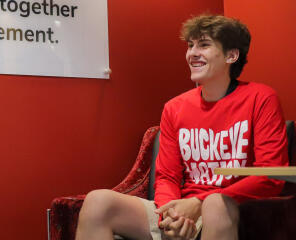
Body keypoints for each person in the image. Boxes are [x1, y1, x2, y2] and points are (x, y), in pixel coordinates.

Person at [75, 14, 288, 240]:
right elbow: (167, 176)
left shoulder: (261, 98)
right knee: (98, 202)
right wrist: (171, 215)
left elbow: (271, 174)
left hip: (230, 209)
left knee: (215, 205)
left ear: (231, 55)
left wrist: (201, 202)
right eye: (190, 45)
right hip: (182, 209)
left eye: (204, 45)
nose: (192, 53)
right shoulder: (174, 107)